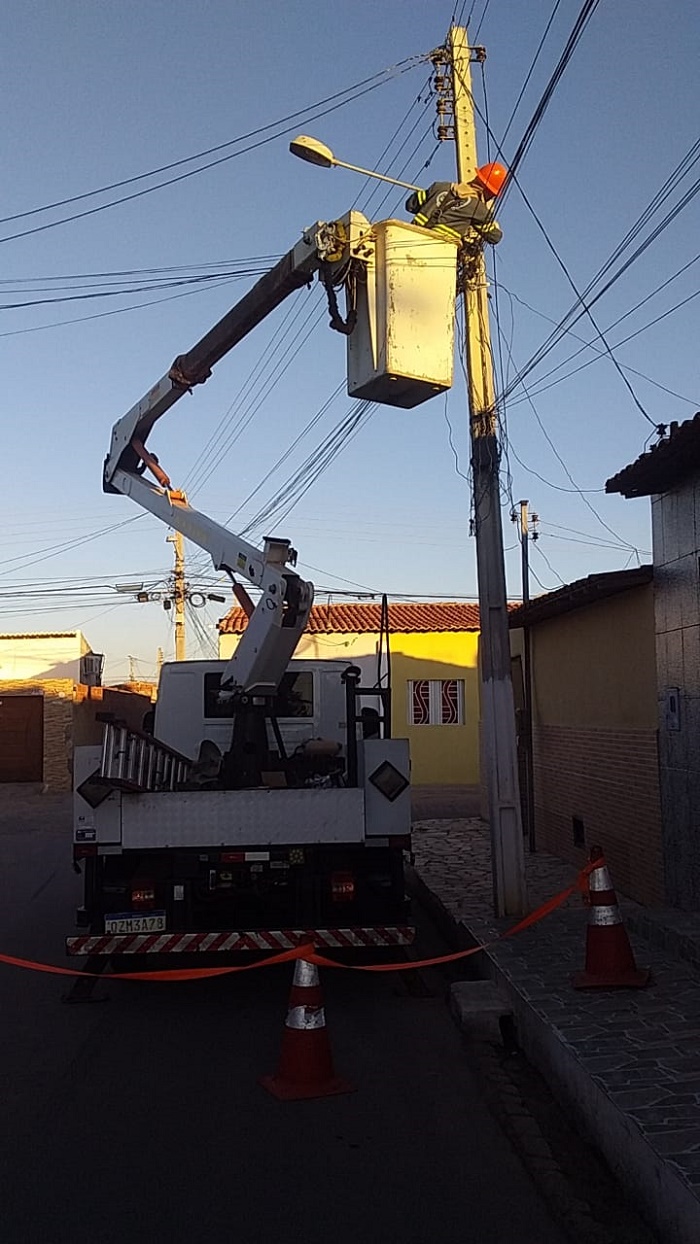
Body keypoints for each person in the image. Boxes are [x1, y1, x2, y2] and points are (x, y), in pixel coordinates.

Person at [405, 161, 507, 246]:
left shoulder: (439, 186)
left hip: (410, 240)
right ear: (489, 192)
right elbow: (494, 237)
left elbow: (410, 205)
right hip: (439, 250)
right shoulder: (478, 209)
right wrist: (495, 226)